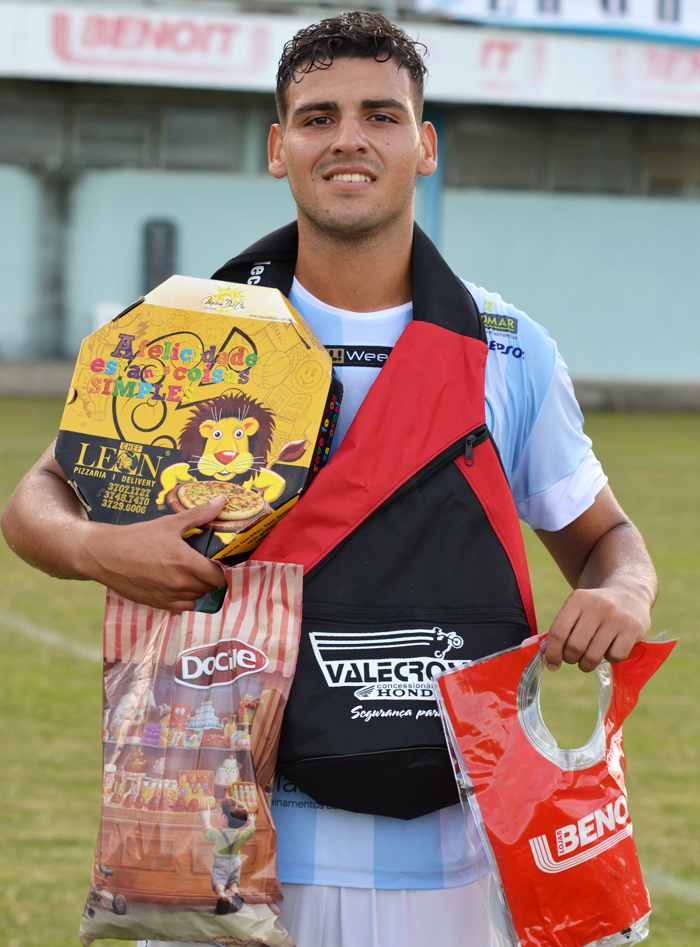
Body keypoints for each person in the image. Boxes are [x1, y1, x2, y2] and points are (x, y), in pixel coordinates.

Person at [1, 11, 657, 947]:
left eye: (381, 115)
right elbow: (36, 500)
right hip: (224, 848)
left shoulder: (508, 348)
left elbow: (607, 541)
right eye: (318, 117)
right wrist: (98, 547)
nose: (349, 137)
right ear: (279, 147)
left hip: (452, 849)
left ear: (424, 146)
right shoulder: (187, 335)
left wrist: (625, 590)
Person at [200, 800, 256, 915]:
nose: (219, 815)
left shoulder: (218, 835)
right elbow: (251, 830)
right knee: (233, 880)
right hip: (236, 861)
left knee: (219, 880)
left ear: (225, 818)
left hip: (221, 862)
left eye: (220, 813)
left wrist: (206, 818)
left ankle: (221, 896)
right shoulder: (242, 835)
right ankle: (235, 892)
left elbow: (207, 830)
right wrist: (252, 821)